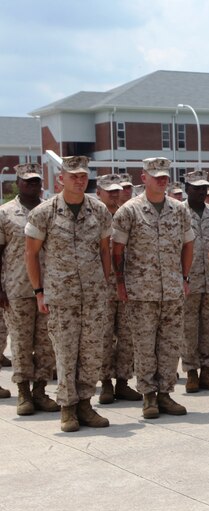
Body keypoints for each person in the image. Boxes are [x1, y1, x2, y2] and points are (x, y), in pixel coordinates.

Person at [25, 156, 113, 431]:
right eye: (73, 175)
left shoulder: (98, 210)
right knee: (65, 354)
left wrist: (105, 284)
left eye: (83, 176)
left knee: (91, 353)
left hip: (93, 297)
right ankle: (67, 408)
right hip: (61, 297)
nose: (79, 180)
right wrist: (39, 292)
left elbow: (104, 250)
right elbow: (31, 254)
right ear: (61, 178)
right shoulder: (45, 212)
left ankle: (85, 405)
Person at [113, 157, 194, 419]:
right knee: (145, 345)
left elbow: (188, 244)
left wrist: (184, 277)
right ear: (143, 177)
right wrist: (121, 282)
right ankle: (148, 396)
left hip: (171, 290)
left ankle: (166, 394)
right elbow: (117, 251)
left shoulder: (179, 210)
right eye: (155, 175)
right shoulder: (129, 211)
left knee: (170, 345)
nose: (161, 179)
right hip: (141, 291)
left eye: (165, 175)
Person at [0, 163, 57, 412]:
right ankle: (23, 392)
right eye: (27, 181)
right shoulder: (5, 213)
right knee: (21, 343)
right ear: (17, 183)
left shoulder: (51, 210)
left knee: (46, 344)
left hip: (50, 289)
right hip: (17, 288)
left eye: (36, 181)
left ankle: (41, 391)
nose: (32, 185)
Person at [96, 174, 141, 405]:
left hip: (128, 286)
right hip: (102, 289)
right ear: (98, 193)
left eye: (117, 190)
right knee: (103, 338)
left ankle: (123, 382)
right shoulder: (93, 217)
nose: (115, 194)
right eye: (109, 191)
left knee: (127, 337)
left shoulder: (129, 216)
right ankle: (105, 383)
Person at [181, 170, 209, 394]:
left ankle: (207, 371)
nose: (201, 192)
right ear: (186, 188)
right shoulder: (178, 213)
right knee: (188, 329)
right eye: (195, 188)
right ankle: (191, 373)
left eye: (204, 188)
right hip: (188, 283)